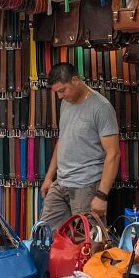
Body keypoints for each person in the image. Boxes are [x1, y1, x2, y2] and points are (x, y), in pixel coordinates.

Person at [39, 62, 119, 227]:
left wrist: (102, 195)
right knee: (46, 235)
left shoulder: (101, 108)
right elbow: (63, 139)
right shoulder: (66, 103)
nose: (60, 96)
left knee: (88, 242)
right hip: (61, 183)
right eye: (57, 92)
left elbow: (114, 154)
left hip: (86, 186)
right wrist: (49, 177)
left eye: (62, 90)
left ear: (75, 80)